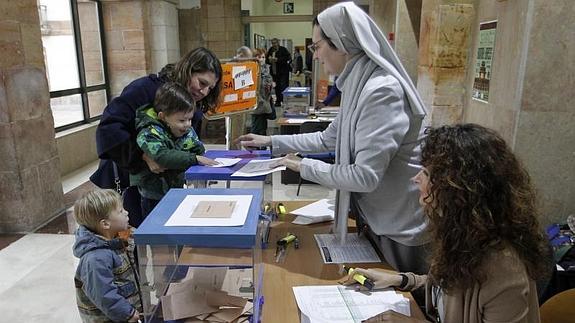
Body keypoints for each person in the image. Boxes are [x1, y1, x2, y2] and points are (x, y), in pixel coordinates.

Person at [237, 2, 429, 274]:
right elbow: (329, 138)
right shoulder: (357, 83)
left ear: (341, 42)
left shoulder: (381, 91)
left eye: (317, 47)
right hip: (375, 219)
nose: (315, 56)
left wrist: (302, 166)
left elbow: (365, 176)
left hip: (398, 227)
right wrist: (271, 142)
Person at [343, 124, 552, 323]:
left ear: (457, 190)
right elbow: (446, 291)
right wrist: (400, 280)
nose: (416, 179)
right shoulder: (463, 234)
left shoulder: (504, 269)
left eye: (425, 173)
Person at [92, 47, 222, 227]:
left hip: (164, 185)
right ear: (187, 70)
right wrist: (143, 156)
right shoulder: (145, 89)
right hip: (130, 178)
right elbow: (108, 129)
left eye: (210, 88)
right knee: (137, 239)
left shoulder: (194, 106)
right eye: (201, 83)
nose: (204, 92)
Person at [131, 82, 218, 217]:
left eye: (190, 119)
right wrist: (193, 159)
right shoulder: (149, 132)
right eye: (182, 120)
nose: (188, 125)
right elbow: (162, 156)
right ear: (163, 116)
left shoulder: (185, 130)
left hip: (177, 188)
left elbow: (197, 147)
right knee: (156, 231)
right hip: (154, 195)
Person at [73, 189, 142, 323]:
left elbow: (135, 234)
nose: (127, 212)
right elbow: (103, 294)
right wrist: (127, 313)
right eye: (121, 211)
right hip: (111, 318)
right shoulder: (96, 258)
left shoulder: (118, 235)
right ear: (105, 224)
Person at [251, 48, 275, 135]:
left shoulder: (265, 69)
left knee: (263, 127)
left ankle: (262, 146)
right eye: (259, 57)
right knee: (256, 127)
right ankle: (255, 146)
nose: (262, 59)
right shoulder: (252, 70)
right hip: (257, 104)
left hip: (265, 102)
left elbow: (267, 84)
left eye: (263, 57)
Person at [266, 38, 291, 106]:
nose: (274, 44)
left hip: (283, 72)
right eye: (272, 43)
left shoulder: (283, 49)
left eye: (275, 43)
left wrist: (278, 59)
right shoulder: (271, 50)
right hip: (274, 72)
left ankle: (284, 100)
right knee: (277, 87)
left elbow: (288, 58)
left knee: (283, 86)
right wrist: (270, 60)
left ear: (278, 43)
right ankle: (278, 101)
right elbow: (266, 60)